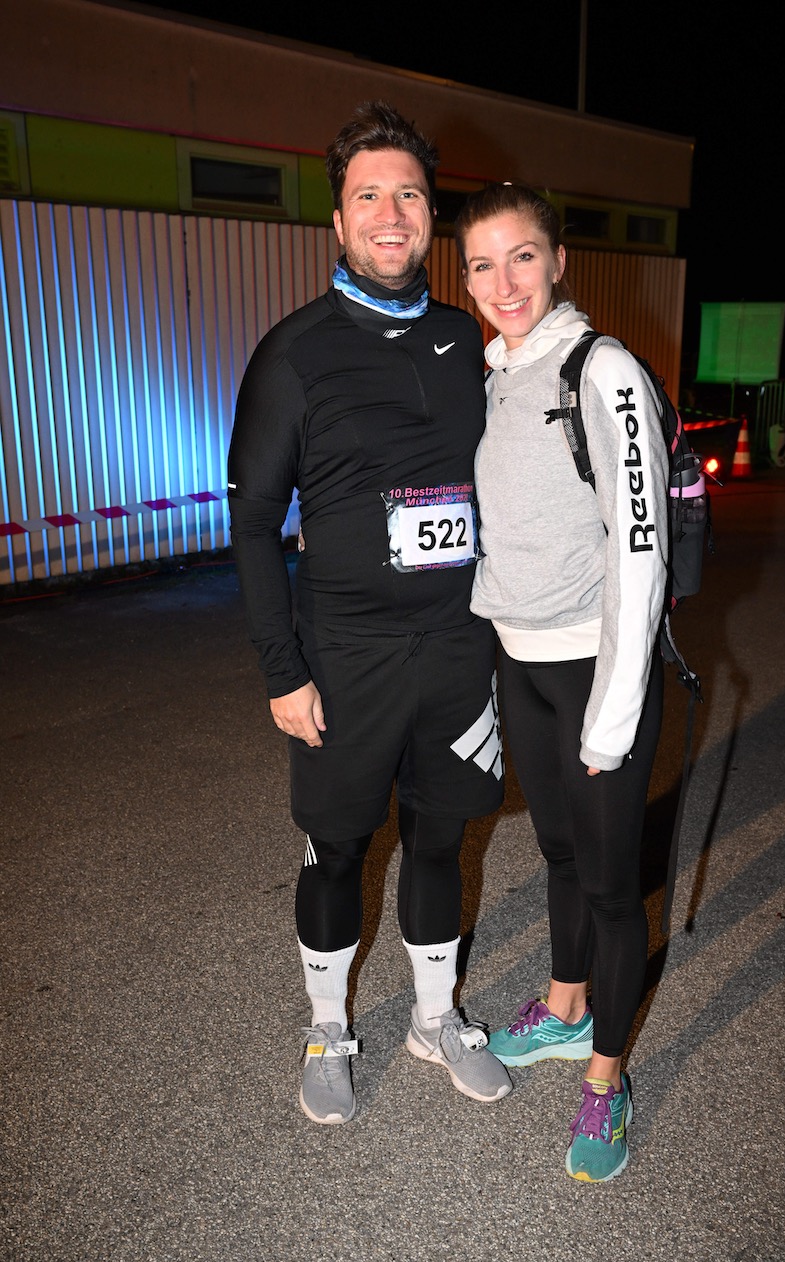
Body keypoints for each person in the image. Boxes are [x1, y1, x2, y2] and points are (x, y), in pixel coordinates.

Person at [227, 101, 510, 1125]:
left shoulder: (462, 340)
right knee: (337, 848)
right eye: (366, 196)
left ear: (429, 216)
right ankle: (326, 1026)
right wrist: (278, 667)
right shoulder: (292, 353)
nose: (388, 213)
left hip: (455, 651)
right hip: (342, 661)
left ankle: (435, 1017)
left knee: (440, 838)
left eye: (407, 195)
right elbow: (254, 522)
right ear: (337, 222)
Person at [454, 183, 669, 1182]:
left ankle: (605, 1078)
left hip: (595, 668)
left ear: (557, 258)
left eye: (522, 256)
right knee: (555, 850)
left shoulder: (603, 370)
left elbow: (639, 548)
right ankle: (563, 1002)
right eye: (481, 264)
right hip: (522, 665)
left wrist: (613, 711)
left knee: (612, 885)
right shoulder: (496, 372)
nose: (503, 282)